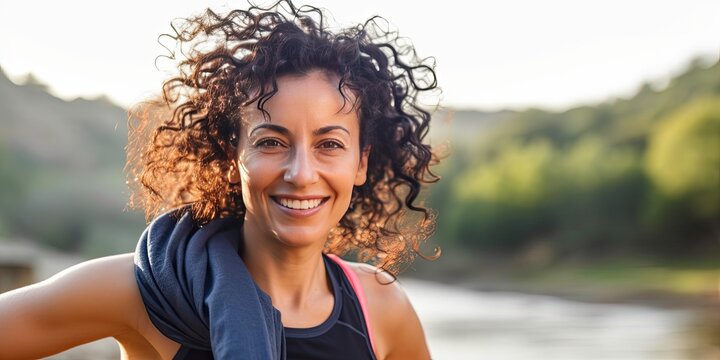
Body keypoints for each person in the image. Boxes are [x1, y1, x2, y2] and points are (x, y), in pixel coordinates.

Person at [0, 0, 441, 358]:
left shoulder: (381, 307)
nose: (302, 173)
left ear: (361, 162)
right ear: (233, 156)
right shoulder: (144, 291)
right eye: (271, 142)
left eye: (329, 145)